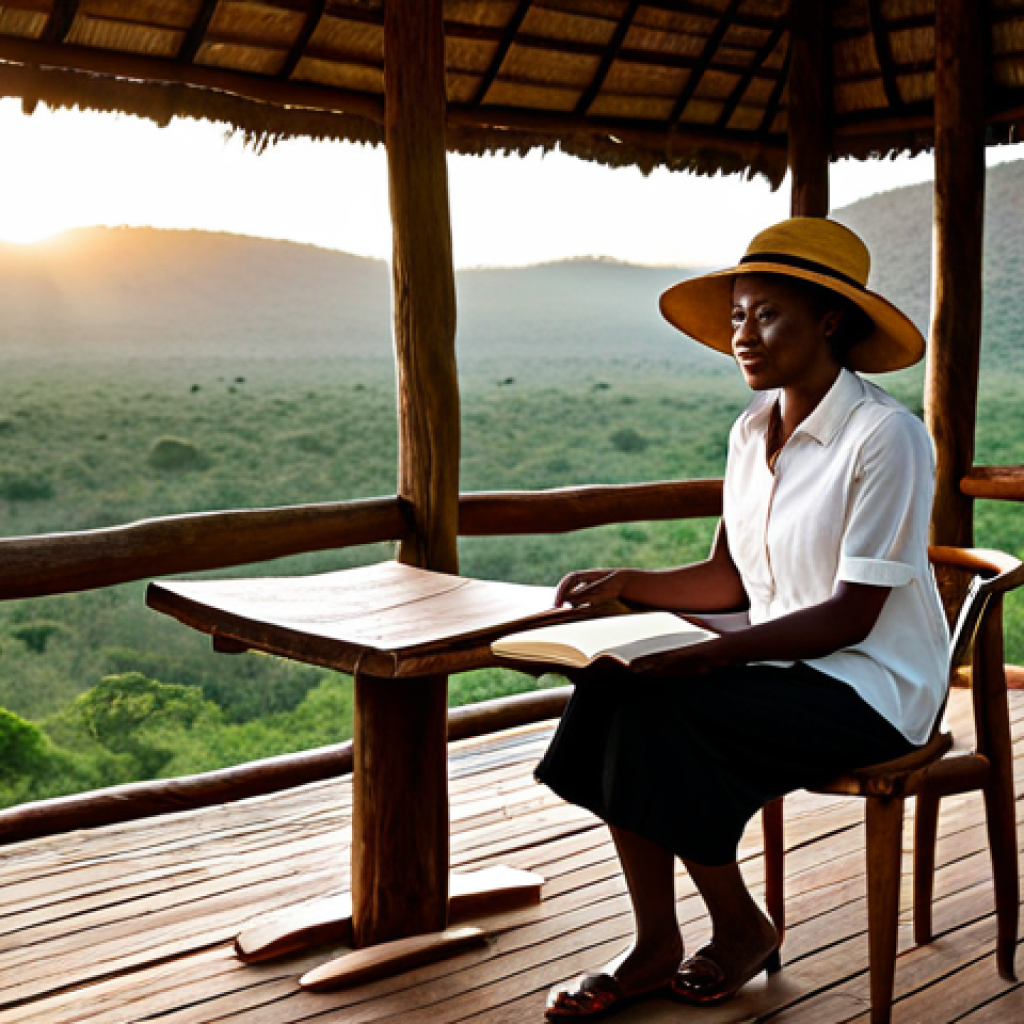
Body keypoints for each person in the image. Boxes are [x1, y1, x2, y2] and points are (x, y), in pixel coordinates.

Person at [536, 217, 950, 1020]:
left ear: (829, 320)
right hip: (778, 667)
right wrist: (630, 586)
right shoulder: (749, 430)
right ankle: (655, 941)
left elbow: (851, 617)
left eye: (766, 315)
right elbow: (729, 579)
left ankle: (738, 926)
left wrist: (706, 659)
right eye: (736, 316)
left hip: (871, 688)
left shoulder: (885, 436)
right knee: (611, 690)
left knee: (668, 709)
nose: (743, 336)